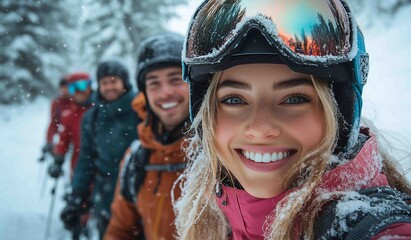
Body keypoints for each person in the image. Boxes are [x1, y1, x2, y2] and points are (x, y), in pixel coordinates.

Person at [173, 1, 411, 240]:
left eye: (294, 99)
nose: (260, 128)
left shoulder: (366, 225)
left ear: (340, 116)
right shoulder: (212, 221)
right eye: (234, 100)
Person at [104, 32, 189, 240]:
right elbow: (120, 230)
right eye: (154, 83)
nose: (165, 92)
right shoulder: (136, 158)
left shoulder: (223, 153)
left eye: (175, 79)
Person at [60, 60, 140, 239]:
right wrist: (78, 193)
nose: (109, 86)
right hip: (105, 193)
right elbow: (86, 158)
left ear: (124, 83)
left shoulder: (140, 109)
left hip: (139, 189)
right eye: (104, 82)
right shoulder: (92, 117)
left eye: (113, 81)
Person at [48, 72, 94, 178]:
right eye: (73, 87)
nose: (78, 91)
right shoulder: (68, 115)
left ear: (90, 86)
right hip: (78, 167)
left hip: (103, 170)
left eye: (82, 86)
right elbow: (63, 138)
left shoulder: (101, 109)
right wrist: (58, 160)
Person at [41, 76, 73, 156]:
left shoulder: (77, 101)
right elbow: (53, 124)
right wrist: (49, 141)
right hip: (64, 139)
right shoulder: (56, 103)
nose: (65, 90)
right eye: (63, 87)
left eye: (67, 87)